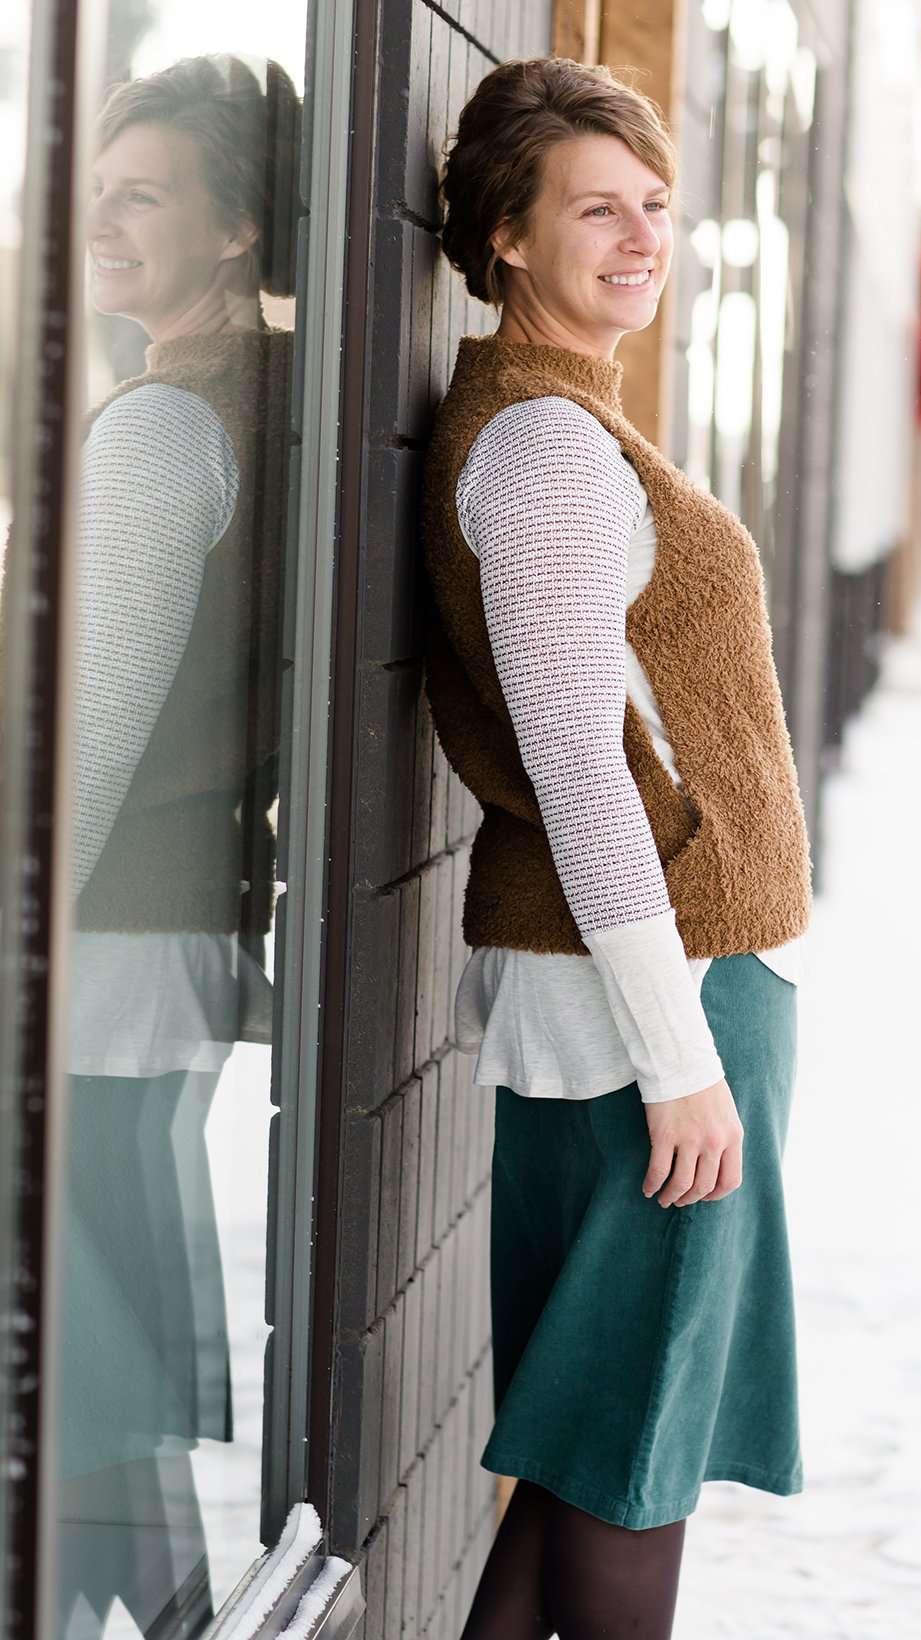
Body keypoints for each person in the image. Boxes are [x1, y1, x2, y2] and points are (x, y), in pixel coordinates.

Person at [421, 56, 814, 1640]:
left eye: (654, 203)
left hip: (655, 991)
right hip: (645, 1005)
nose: (642, 235)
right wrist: (680, 1058)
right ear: (508, 237)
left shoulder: (572, 428)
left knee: (594, 1450)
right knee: (629, 1465)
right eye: (597, 207)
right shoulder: (544, 454)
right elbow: (582, 772)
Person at [48, 52, 296, 1638]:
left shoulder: (155, 434)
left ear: (234, 233)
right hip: (171, 939)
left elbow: (87, 738)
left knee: (84, 1366)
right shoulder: (264, 397)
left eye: (144, 194)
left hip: (100, 949)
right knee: (99, 1372)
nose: (102, 221)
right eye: (97, 189)